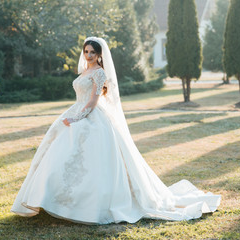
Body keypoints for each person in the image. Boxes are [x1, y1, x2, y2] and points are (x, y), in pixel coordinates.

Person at [11, 37, 221, 224]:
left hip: (90, 116)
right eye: (86, 51)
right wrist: (72, 115)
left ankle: (87, 205)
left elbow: (93, 101)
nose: (89, 55)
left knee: (91, 158)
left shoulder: (100, 73)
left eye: (93, 52)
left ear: (100, 54)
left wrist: (76, 118)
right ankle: (51, 199)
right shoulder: (84, 71)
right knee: (57, 155)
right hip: (77, 110)